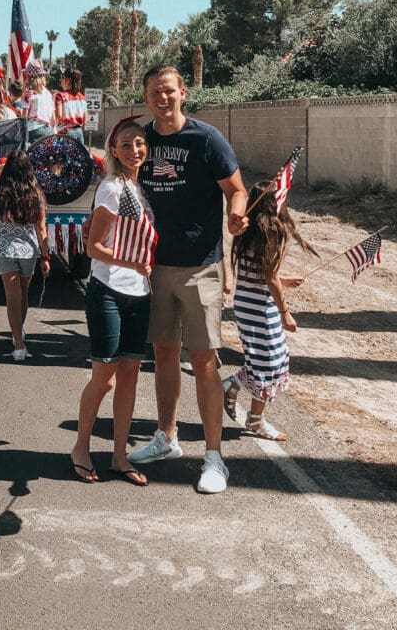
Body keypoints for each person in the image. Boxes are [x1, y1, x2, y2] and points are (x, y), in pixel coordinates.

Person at [127, 64, 248, 495]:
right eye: (155, 93)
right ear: (146, 98)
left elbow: (236, 187)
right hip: (154, 266)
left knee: (203, 359)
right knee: (163, 353)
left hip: (201, 266)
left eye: (169, 91)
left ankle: (214, 457)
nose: (163, 98)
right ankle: (166, 437)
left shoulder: (206, 139)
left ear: (183, 92)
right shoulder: (140, 140)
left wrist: (236, 212)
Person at [70, 119, 154, 485]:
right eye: (126, 144)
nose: (134, 150)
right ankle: (81, 447)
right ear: (114, 151)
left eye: (139, 143)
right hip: (108, 290)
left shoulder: (142, 189)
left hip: (141, 293)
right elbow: (94, 247)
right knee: (103, 379)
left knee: (131, 378)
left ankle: (120, 455)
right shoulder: (111, 188)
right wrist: (131, 263)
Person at [222, 180, 315, 440]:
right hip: (260, 307)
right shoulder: (272, 231)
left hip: (246, 302)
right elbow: (270, 278)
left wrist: (283, 280)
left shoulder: (249, 229)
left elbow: (259, 270)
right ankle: (253, 417)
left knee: (264, 359)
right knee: (270, 361)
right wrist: (285, 311)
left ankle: (240, 393)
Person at [0, 150, 50, 361]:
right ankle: (19, 333)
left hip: (5, 249)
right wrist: (46, 257)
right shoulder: (36, 195)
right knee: (23, 295)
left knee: (12, 298)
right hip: (29, 250)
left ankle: (19, 345)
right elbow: (41, 229)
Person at [21, 61, 56, 144]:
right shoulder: (48, 93)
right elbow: (53, 119)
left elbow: (24, 117)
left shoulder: (29, 93)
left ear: (29, 76)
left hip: (33, 130)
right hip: (47, 131)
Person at [55, 68, 87, 144]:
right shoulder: (82, 98)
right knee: (79, 155)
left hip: (66, 133)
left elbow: (59, 116)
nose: (61, 81)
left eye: (62, 78)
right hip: (79, 133)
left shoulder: (60, 96)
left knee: (65, 155)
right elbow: (85, 121)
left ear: (67, 80)